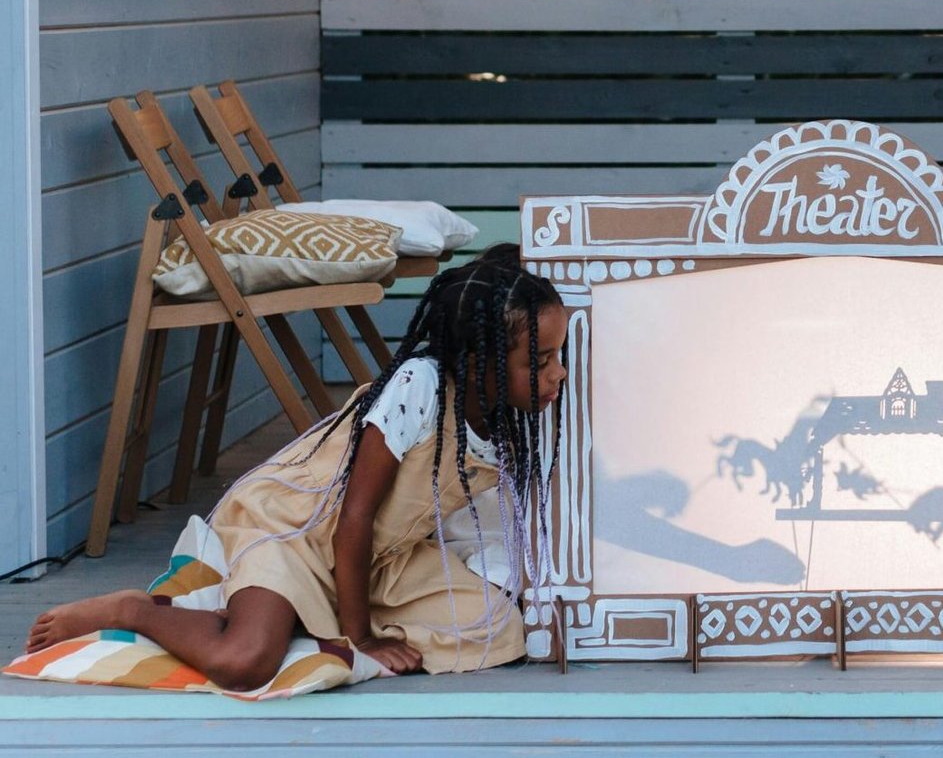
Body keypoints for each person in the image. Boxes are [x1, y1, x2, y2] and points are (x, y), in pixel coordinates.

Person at [25, 245, 568, 691]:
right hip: (297, 532)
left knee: (499, 629)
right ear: (479, 362)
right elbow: (353, 519)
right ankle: (137, 612)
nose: (558, 374)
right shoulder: (418, 388)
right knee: (246, 661)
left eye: (558, 356)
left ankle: (310, 621)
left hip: (384, 559)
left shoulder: (506, 423)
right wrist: (362, 638)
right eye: (539, 362)